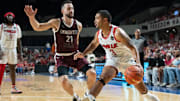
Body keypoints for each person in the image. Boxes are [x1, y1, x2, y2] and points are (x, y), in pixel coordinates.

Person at [74, 10, 159, 101]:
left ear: (105, 20)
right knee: (103, 78)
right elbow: (93, 45)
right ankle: (90, 98)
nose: (95, 21)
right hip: (113, 60)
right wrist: (83, 54)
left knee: (141, 88)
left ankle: (147, 95)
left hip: (126, 60)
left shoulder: (118, 32)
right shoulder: (98, 34)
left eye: (97, 18)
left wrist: (138, 64)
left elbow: (133, 48)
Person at [24, 0, 96, 100]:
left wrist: (79, 53)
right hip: (62, 57)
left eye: (72, 8)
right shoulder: (56, 22)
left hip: (74, 55)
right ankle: (75, 97)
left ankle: (87, 95)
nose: (71, 10)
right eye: (69, 8)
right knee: (64, 81)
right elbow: (38, 27)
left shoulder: (78, 25)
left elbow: (77, 41)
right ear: (63, 11)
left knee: (92, 73)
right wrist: (31, 17)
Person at [0, 12, 23, 94]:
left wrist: (20, 53)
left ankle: (13, 87)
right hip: (3, 49)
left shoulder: (17, 27)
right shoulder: (1, 27)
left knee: (12, 68)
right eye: (8, 16)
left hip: (13, 49)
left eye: (11, 16)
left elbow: (19, 40)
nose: (10, 17)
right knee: (1, 69)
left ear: (13, 17)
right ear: (5, 17)